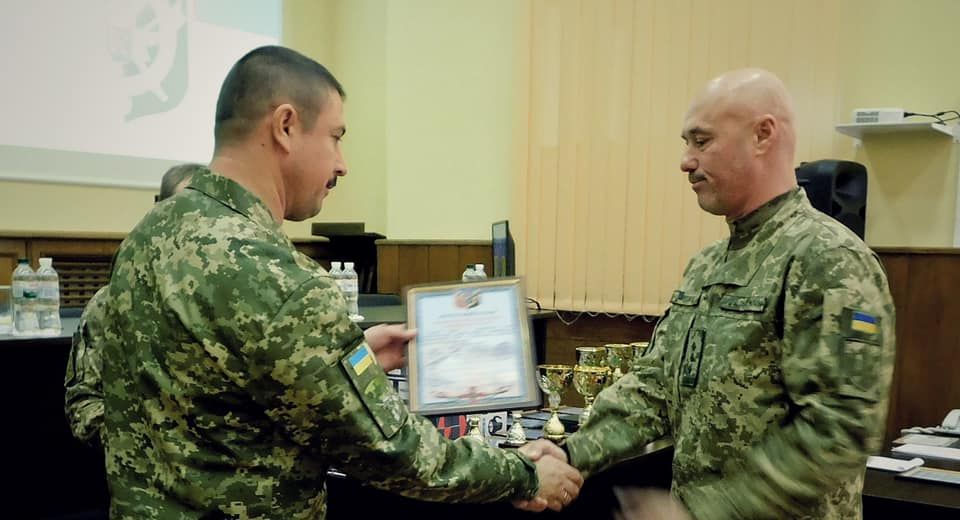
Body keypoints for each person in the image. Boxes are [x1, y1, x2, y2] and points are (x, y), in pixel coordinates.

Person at [97, 45, 582, 518]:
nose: (342, 163)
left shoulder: (149, 234)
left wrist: (349, 359)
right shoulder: (278, 278)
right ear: (286, 126)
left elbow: (208, 388)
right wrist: (522, 473)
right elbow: (392, 450)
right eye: (335, 136)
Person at [522, 68, 896, 519]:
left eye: (701, 141)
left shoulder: (829, 260)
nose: (685, 161)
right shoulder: (707, 265)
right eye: (687, 143)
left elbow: (839, 431)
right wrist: (571, 452)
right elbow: (654, 388)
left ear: (762, 135)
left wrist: (706, 512)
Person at [64, 162, 203, 445]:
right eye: (183, 208)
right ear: (159, 211)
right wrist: (144, 444)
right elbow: (84, 402)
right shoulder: (112, 302)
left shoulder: (230, 302)